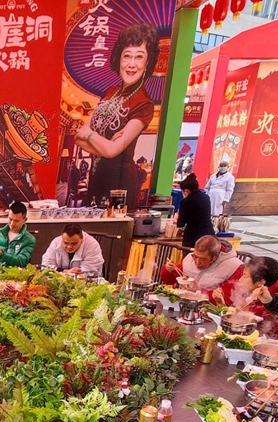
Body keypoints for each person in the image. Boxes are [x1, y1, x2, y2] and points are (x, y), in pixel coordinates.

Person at [74, 23, 159, 212]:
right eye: (127, 55)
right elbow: (78, 136)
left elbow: (113, 151)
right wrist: (103, 144)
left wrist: (91, 136)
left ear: (147, 62)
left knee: (111, 235)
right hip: (96, 178)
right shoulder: (110, 92)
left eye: (139, 57)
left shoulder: (144, 103)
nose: (131, 64)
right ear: (119, 58)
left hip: (120, 184)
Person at [212, 256, 278, 341]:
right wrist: (220, 303)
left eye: (245, 276)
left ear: (261, 282)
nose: (240, 280)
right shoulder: (255, 290)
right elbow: (237, 314)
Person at [161, 234, 242, 290]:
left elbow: (230, 298)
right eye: (195, 257)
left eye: (203, 259)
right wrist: (169, 270)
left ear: (215, 256)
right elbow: (170, 280)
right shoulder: (190, 258)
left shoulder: (233, 267)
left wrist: (201, 292)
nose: (197, 262)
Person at [0, 201, 36, 267]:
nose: (12, 223)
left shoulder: (29, 239)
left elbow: (21, 262)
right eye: (10, 219)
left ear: (25, 220)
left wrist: (0, 254)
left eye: (16, 221)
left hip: (16, 275)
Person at [40, 223, 105, 277]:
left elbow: (89, 272)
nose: (69, 246)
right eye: (66, 243)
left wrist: (68, 273)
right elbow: (45, 266)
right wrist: (64, 271)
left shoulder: (92, 245)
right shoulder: (56, 242)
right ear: (62, 238)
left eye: (74, 243)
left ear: (81, 239)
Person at [172, 174, 215, 247]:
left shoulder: (186, 201)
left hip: (193, 237)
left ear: (186, 190)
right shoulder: (206, 197)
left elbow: (181, 223)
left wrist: (177, 218)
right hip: (208, 234)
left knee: (190, 257)